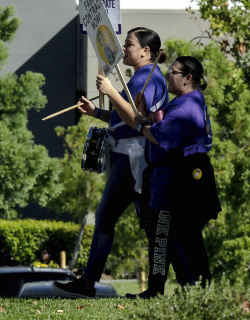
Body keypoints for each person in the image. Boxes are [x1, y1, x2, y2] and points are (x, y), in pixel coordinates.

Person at [55, 28, 168, 298]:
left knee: (110, 219)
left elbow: (136, 121)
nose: (123, 49)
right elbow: (123, 120)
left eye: (128, 44)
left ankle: (91, 281)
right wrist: (97, 112)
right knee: (152, 227)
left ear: (145, 51)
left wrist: (109, 91)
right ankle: (154, 288)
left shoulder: (149, 78)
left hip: (133, 159)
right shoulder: (142, 77)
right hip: (131, 157)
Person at [135, 55, 220, 297]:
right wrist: (145, 116)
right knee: (167, 234)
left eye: (173, 72)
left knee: (174, 234)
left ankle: (192, 287)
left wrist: (140, 125)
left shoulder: (187, 105)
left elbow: (160, 136)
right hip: (179, 174)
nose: (168, 75)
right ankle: (164, 288)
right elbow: (160, 123)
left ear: (188, 78)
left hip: (186, 177)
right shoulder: (186, 101)